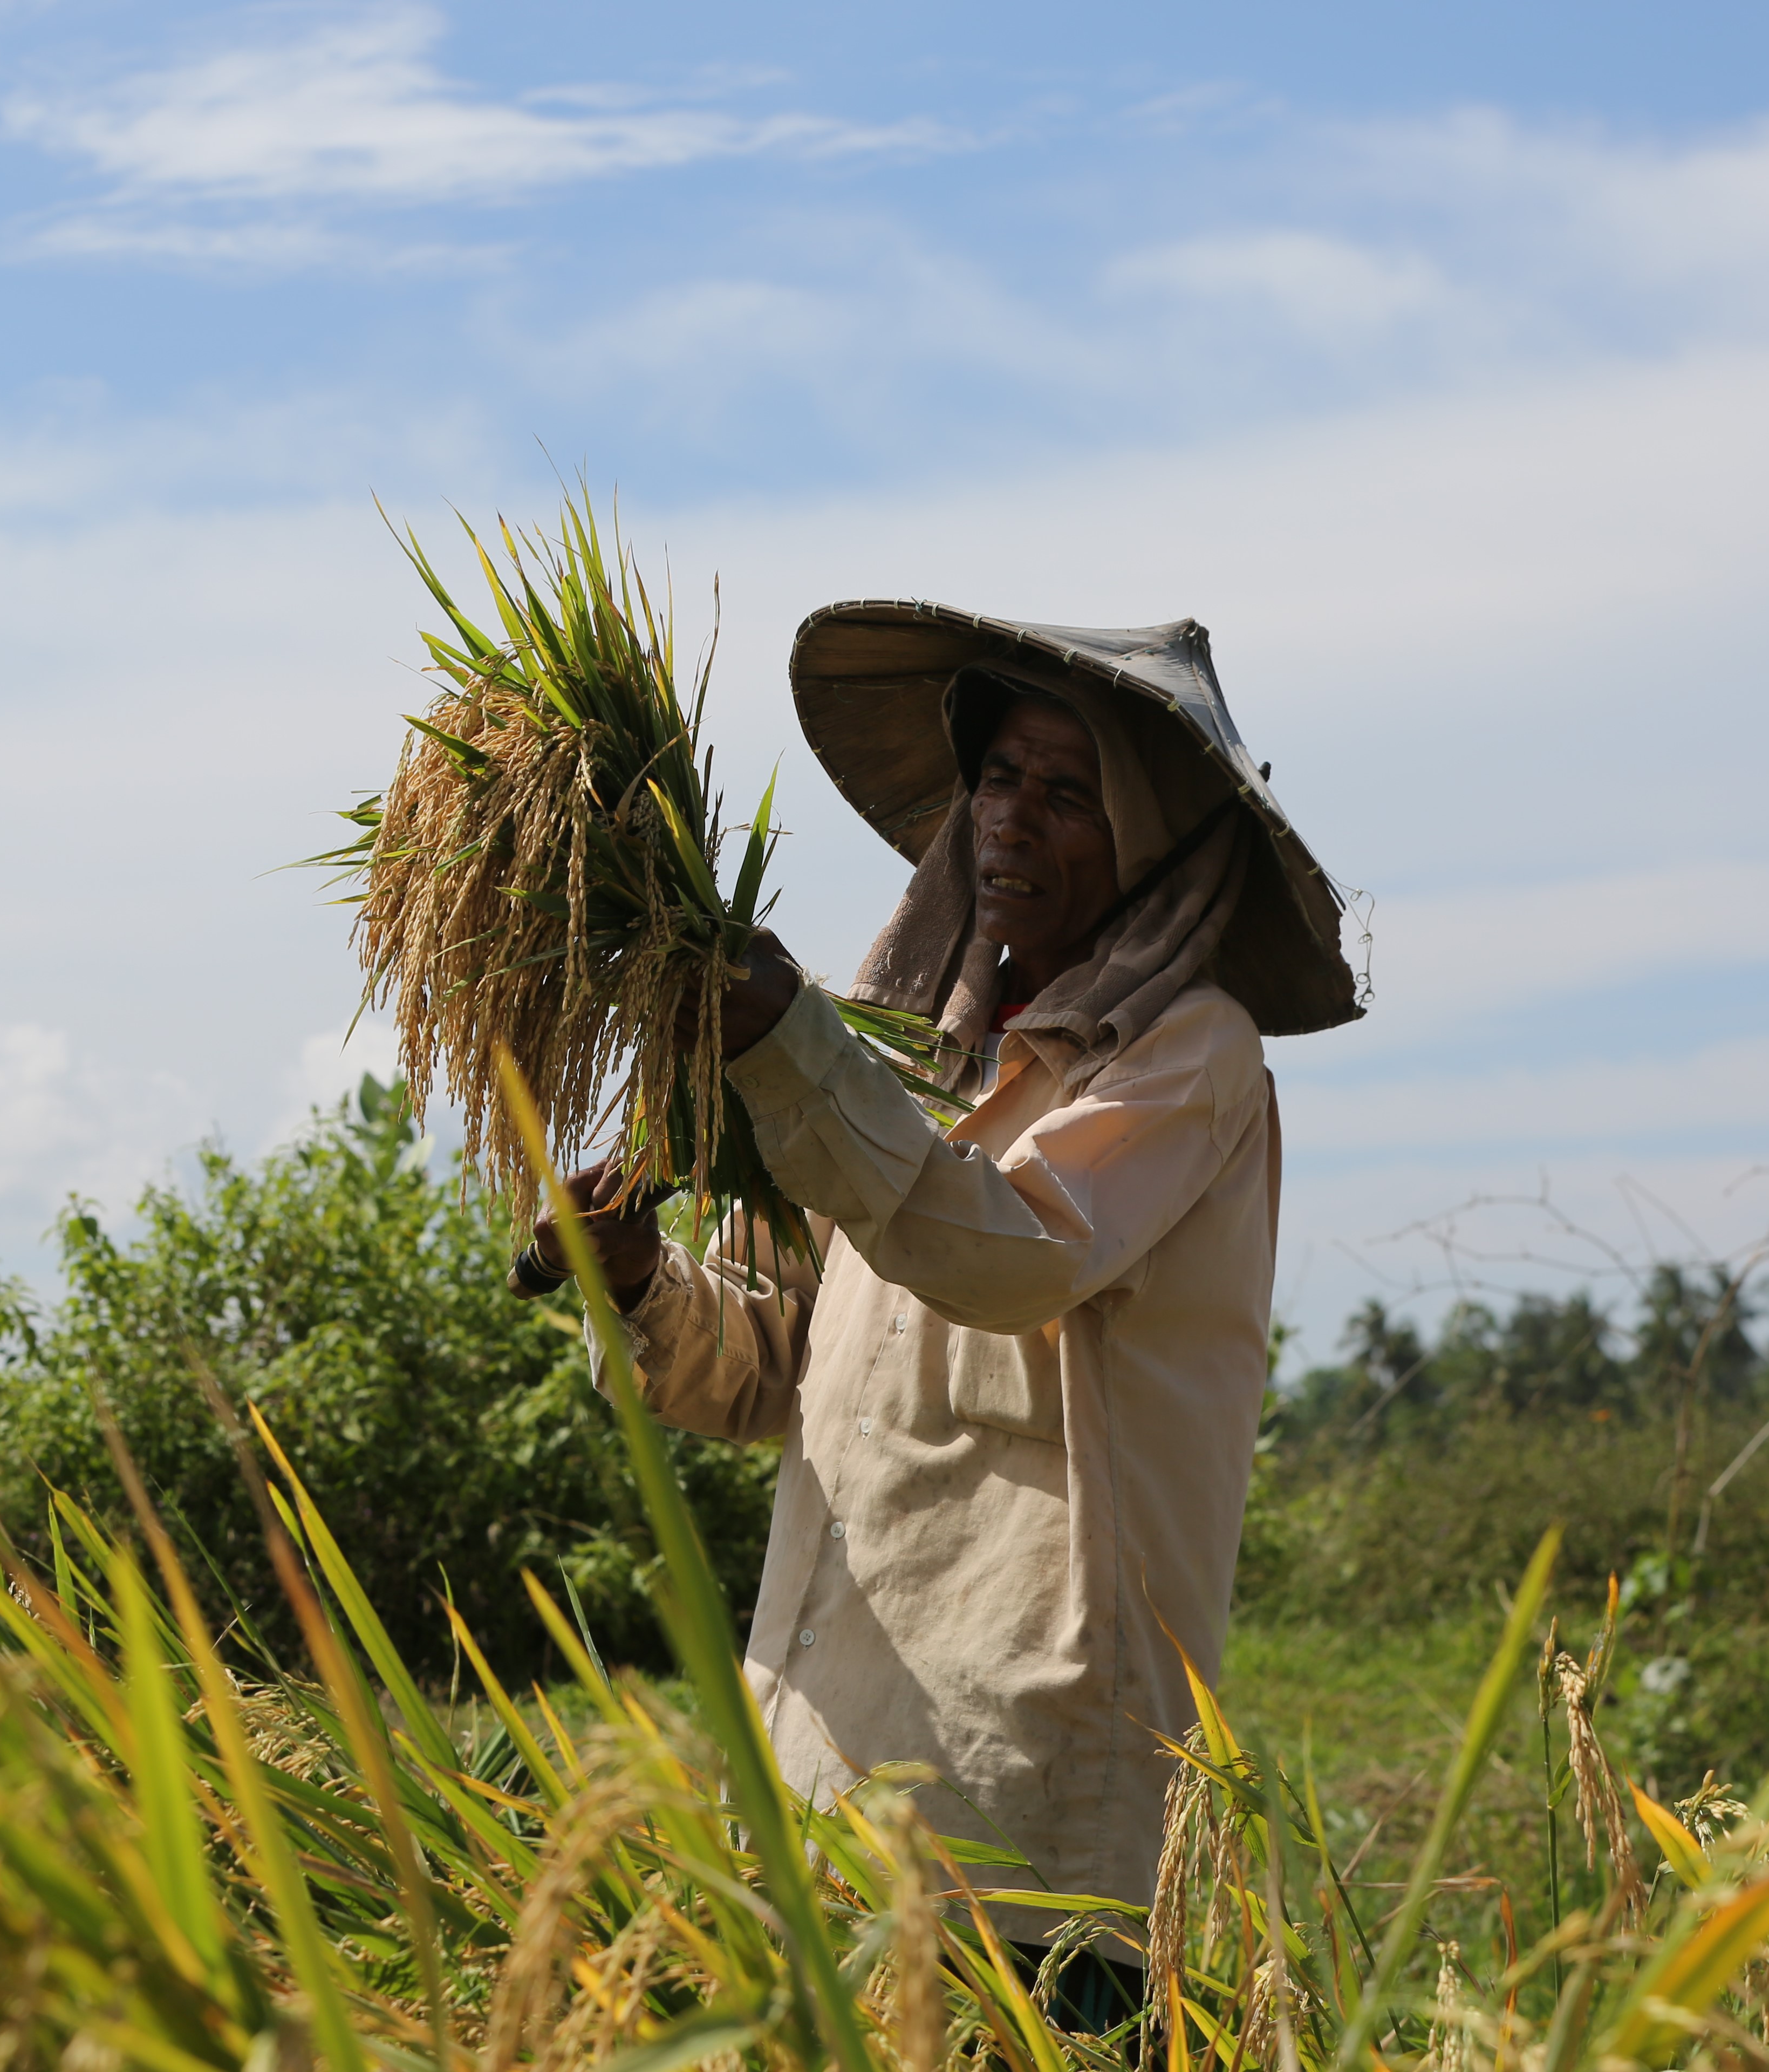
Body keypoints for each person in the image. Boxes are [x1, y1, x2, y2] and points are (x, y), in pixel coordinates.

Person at [517, 602, 1361, 2041]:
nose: (1012, 819)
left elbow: (1012, 1253)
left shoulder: (1185, 1056)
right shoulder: (899, 1052)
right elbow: (766, 1370)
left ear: (1154, 839)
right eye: (999, 778)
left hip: (1027, 1802)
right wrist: (640, 1273)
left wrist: (789, 1047)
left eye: (1070, 792)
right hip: (821, 1765)